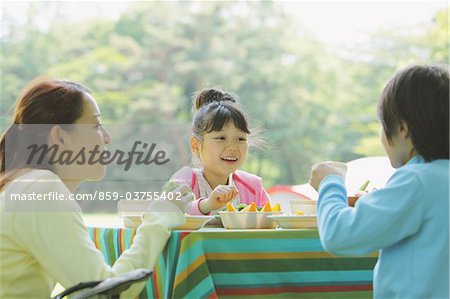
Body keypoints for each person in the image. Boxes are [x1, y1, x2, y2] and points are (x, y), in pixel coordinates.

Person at [0, 77, 192, 298]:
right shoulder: (39, 188)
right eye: (97, 125)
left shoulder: (21, 185)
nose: (107, 138)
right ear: (59, 137)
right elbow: (104, 293)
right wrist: (161, 216)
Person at [309, 65, 449, 298]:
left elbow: (338, 235)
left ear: (402, 129)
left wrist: (330, 182)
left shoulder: (417, 182)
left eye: (384, 126)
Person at [170, 88, 270, 215]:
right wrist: (205, 205)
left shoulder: (253, 187)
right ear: (195, 145)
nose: (232, 147)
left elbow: (268, 222)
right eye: (221, 138)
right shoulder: (185, 180)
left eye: (240, 139)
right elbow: (164, 212)